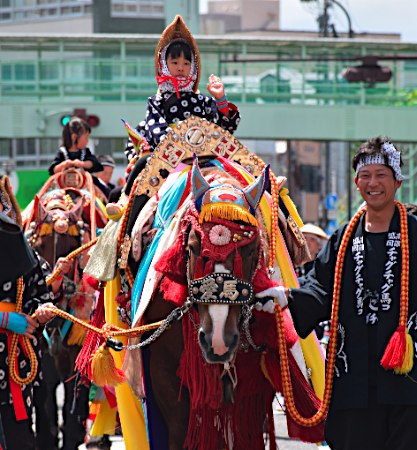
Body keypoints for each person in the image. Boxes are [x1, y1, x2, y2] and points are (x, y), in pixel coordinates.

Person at [278, 136, 417, 450]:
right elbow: (319, 288)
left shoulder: (415, 233)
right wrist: (285, 297)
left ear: (397, 181)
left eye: (381, 175)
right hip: (354, 379)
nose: (373, 183)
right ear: (356, 183)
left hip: (407, 383)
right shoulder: (343, 239)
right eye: (365, 176)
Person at [105, 14, 241, 217]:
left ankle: (273, 196)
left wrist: (220, 99)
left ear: (193, 67)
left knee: (242, 166)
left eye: (187, 63)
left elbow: (224, 129)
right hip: (168, 156)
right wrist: (178, 144)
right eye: (175, 61)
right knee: (144, 164)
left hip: (205, 157)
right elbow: (155, 128)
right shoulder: (156, 101)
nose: (181, 67)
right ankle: (126, 207)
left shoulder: (203, 101)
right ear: (163, 64)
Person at [0, 175, 57, 450]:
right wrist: (4, 319)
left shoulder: (23, 252)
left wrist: (41, 310)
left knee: (19, 436)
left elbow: (40, 294)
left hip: (15, 366)